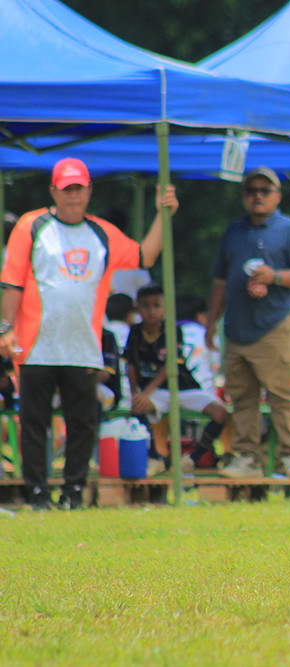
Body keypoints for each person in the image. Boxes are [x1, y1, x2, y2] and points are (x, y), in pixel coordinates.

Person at [0, 157, 177, 510]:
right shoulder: (31, 226)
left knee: (83, 422)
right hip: (36, 344)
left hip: (83, 346)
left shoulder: (102, 232)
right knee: (34, 422)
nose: (73, 196)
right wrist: (6, 327)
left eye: (79, 189)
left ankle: (73, 491)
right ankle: (37, 491)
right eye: (66, 189)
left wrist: (163, 214)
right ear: (54, 191)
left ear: (89, 191)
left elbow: (145, 255)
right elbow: (12, 282)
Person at [205, 167, 290, 479]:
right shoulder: (233, 232)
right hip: (237, 327)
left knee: (283, 395)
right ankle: (246, 457)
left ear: (277, 197)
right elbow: (219, 280)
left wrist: (275, 276)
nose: (257, 196)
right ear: (244, 196)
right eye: (251, 190)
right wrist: (211, 322)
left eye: (264, 191)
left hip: (275, 325)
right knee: (242, 397)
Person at [125, 284, 230, 476]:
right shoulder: (134, 333)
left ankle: (193, 458)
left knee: (221, 413)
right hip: (157, 392)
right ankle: (155, 457)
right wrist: (136, 393)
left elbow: (170, 366)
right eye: (145, 306)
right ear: (138, 308)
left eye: (156, 305)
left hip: (183, 387)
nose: (151, 311)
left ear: (165, 308)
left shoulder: (173, 330)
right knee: (136, 408)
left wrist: (145, 392)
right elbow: (131, 365)